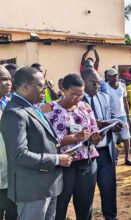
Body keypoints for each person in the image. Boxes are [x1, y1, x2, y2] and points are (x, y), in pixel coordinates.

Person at [0, 66, 71, 220]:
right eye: (41, 85)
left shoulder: (32, 107)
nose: (44, 89)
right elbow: (19, 155)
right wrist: (56, 159)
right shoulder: (15, 113)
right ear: (25, 87)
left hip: (46, 185)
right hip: (32, 190)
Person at [42, 74, 101, 220]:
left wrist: (96, 137)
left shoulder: (85, 107)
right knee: (59, 206)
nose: (78, 98)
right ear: (63, 89)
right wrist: (75, 137)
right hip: (63, 165)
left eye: (81, 94)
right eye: (74, 94)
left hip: (87, 163)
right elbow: (46, 141)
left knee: (85, 205)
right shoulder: (49, 109)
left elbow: (94, 132)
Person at [81, 68, 121, 220]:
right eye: (94, 83)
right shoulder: (77, 101)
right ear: (84, 82)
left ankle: (111, 217)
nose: (98, 86)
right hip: (87, 154)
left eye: (99, 83)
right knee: (86, 192)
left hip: (106, 152)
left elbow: (111, 118)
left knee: (109, 189)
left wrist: (115, 127)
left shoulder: (105, 97)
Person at [104, 68, 131, 166]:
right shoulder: (105, 87)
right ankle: (115, 157)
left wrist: (128, 114)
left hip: (122, 115)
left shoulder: (122, 85)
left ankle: (127, 157)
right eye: (113, 75)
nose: (115, 77)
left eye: (116, 75)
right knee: (113, 138)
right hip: (111, 116)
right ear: (108, 77)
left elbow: (125, 100)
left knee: (126, 136)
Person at [0, 65, 17, 220]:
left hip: (12, 170)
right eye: (3, 79)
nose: (8, 83)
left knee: (13, 212)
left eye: (9, 79)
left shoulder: (11, 101)